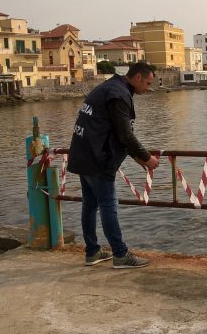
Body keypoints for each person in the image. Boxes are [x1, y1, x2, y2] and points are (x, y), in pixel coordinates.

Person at [67, 62, 160, 269]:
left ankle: (92, 252)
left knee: (90, 205)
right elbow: (125, 134)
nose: (148, 87)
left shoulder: (109, 87)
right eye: (147, 82)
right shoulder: (119, 95)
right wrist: (146, 158)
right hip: (98, 159)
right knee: (108, 207)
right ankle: (120, 255)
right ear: (136, 77)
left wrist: (136, 156)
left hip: (83, 154)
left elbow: (113, 130)